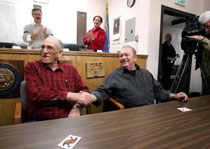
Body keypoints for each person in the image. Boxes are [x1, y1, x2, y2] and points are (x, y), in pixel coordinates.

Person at [77, 45, 188, 111]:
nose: (123, 58)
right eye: (121, 56)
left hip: (149, 115)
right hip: (128, 118)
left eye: (126, 55)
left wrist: (175, 96)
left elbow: (158, 91)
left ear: (135, 58)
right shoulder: (115, 75)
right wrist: (91, 97)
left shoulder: (146, 74)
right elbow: (103, 92)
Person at [24, 36, 91, 120]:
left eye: (50, 48)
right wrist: (68, 95)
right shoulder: (32, 67)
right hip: (40, 120)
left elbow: (84, 91)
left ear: (60, 53)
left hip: (68, 118)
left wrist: (76, 108)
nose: (44, 51)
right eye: (43, 47)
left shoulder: (70, 69)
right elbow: (36, 93)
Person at [188, 11, 210, 95]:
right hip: (206, 76)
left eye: (208, 27)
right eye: (204, 27)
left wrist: (202, 39)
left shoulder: (204, 38)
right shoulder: (207, 35)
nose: (206, 29)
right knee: (205, 101)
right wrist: (200, 55)